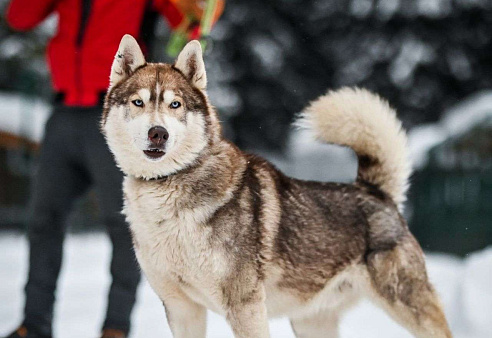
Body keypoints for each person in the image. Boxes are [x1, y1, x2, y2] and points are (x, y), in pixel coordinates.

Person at [3, 1, 188, 337]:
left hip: (118, 115)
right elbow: (19, 17)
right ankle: (34, 325)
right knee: (43, 222)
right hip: (63, 114)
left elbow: (189, 20)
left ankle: (115, 328)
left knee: (125, 227)